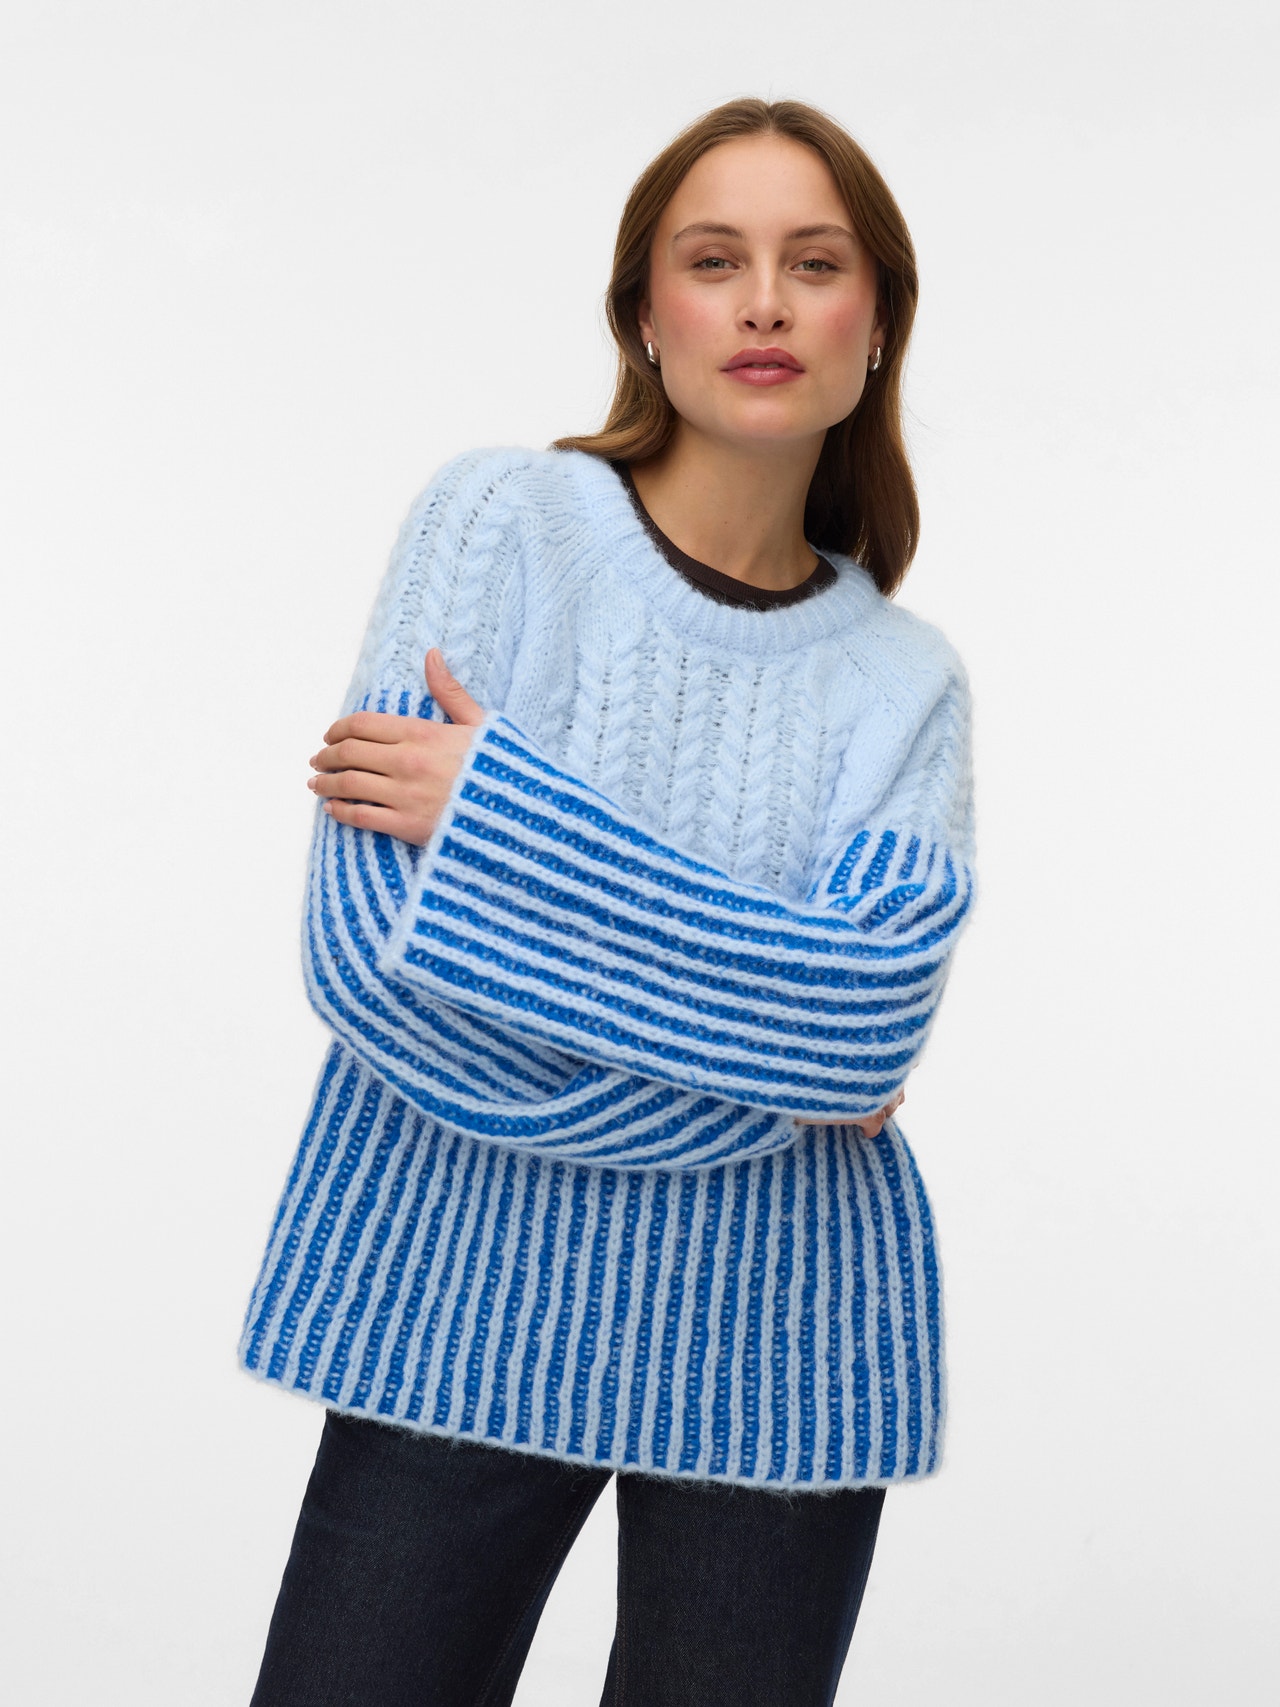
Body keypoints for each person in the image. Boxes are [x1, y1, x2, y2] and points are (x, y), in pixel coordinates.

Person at [239, 95, 978, 1707]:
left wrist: (508, 826)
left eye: (815, 264)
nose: (766, 302)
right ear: (646, 314)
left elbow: (859, 1033)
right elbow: (365, 960)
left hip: (779, 1346)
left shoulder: (905, 682)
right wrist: (770, 1052)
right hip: (452, 1302)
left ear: (876, 327)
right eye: (715, 261)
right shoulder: (501, 524)